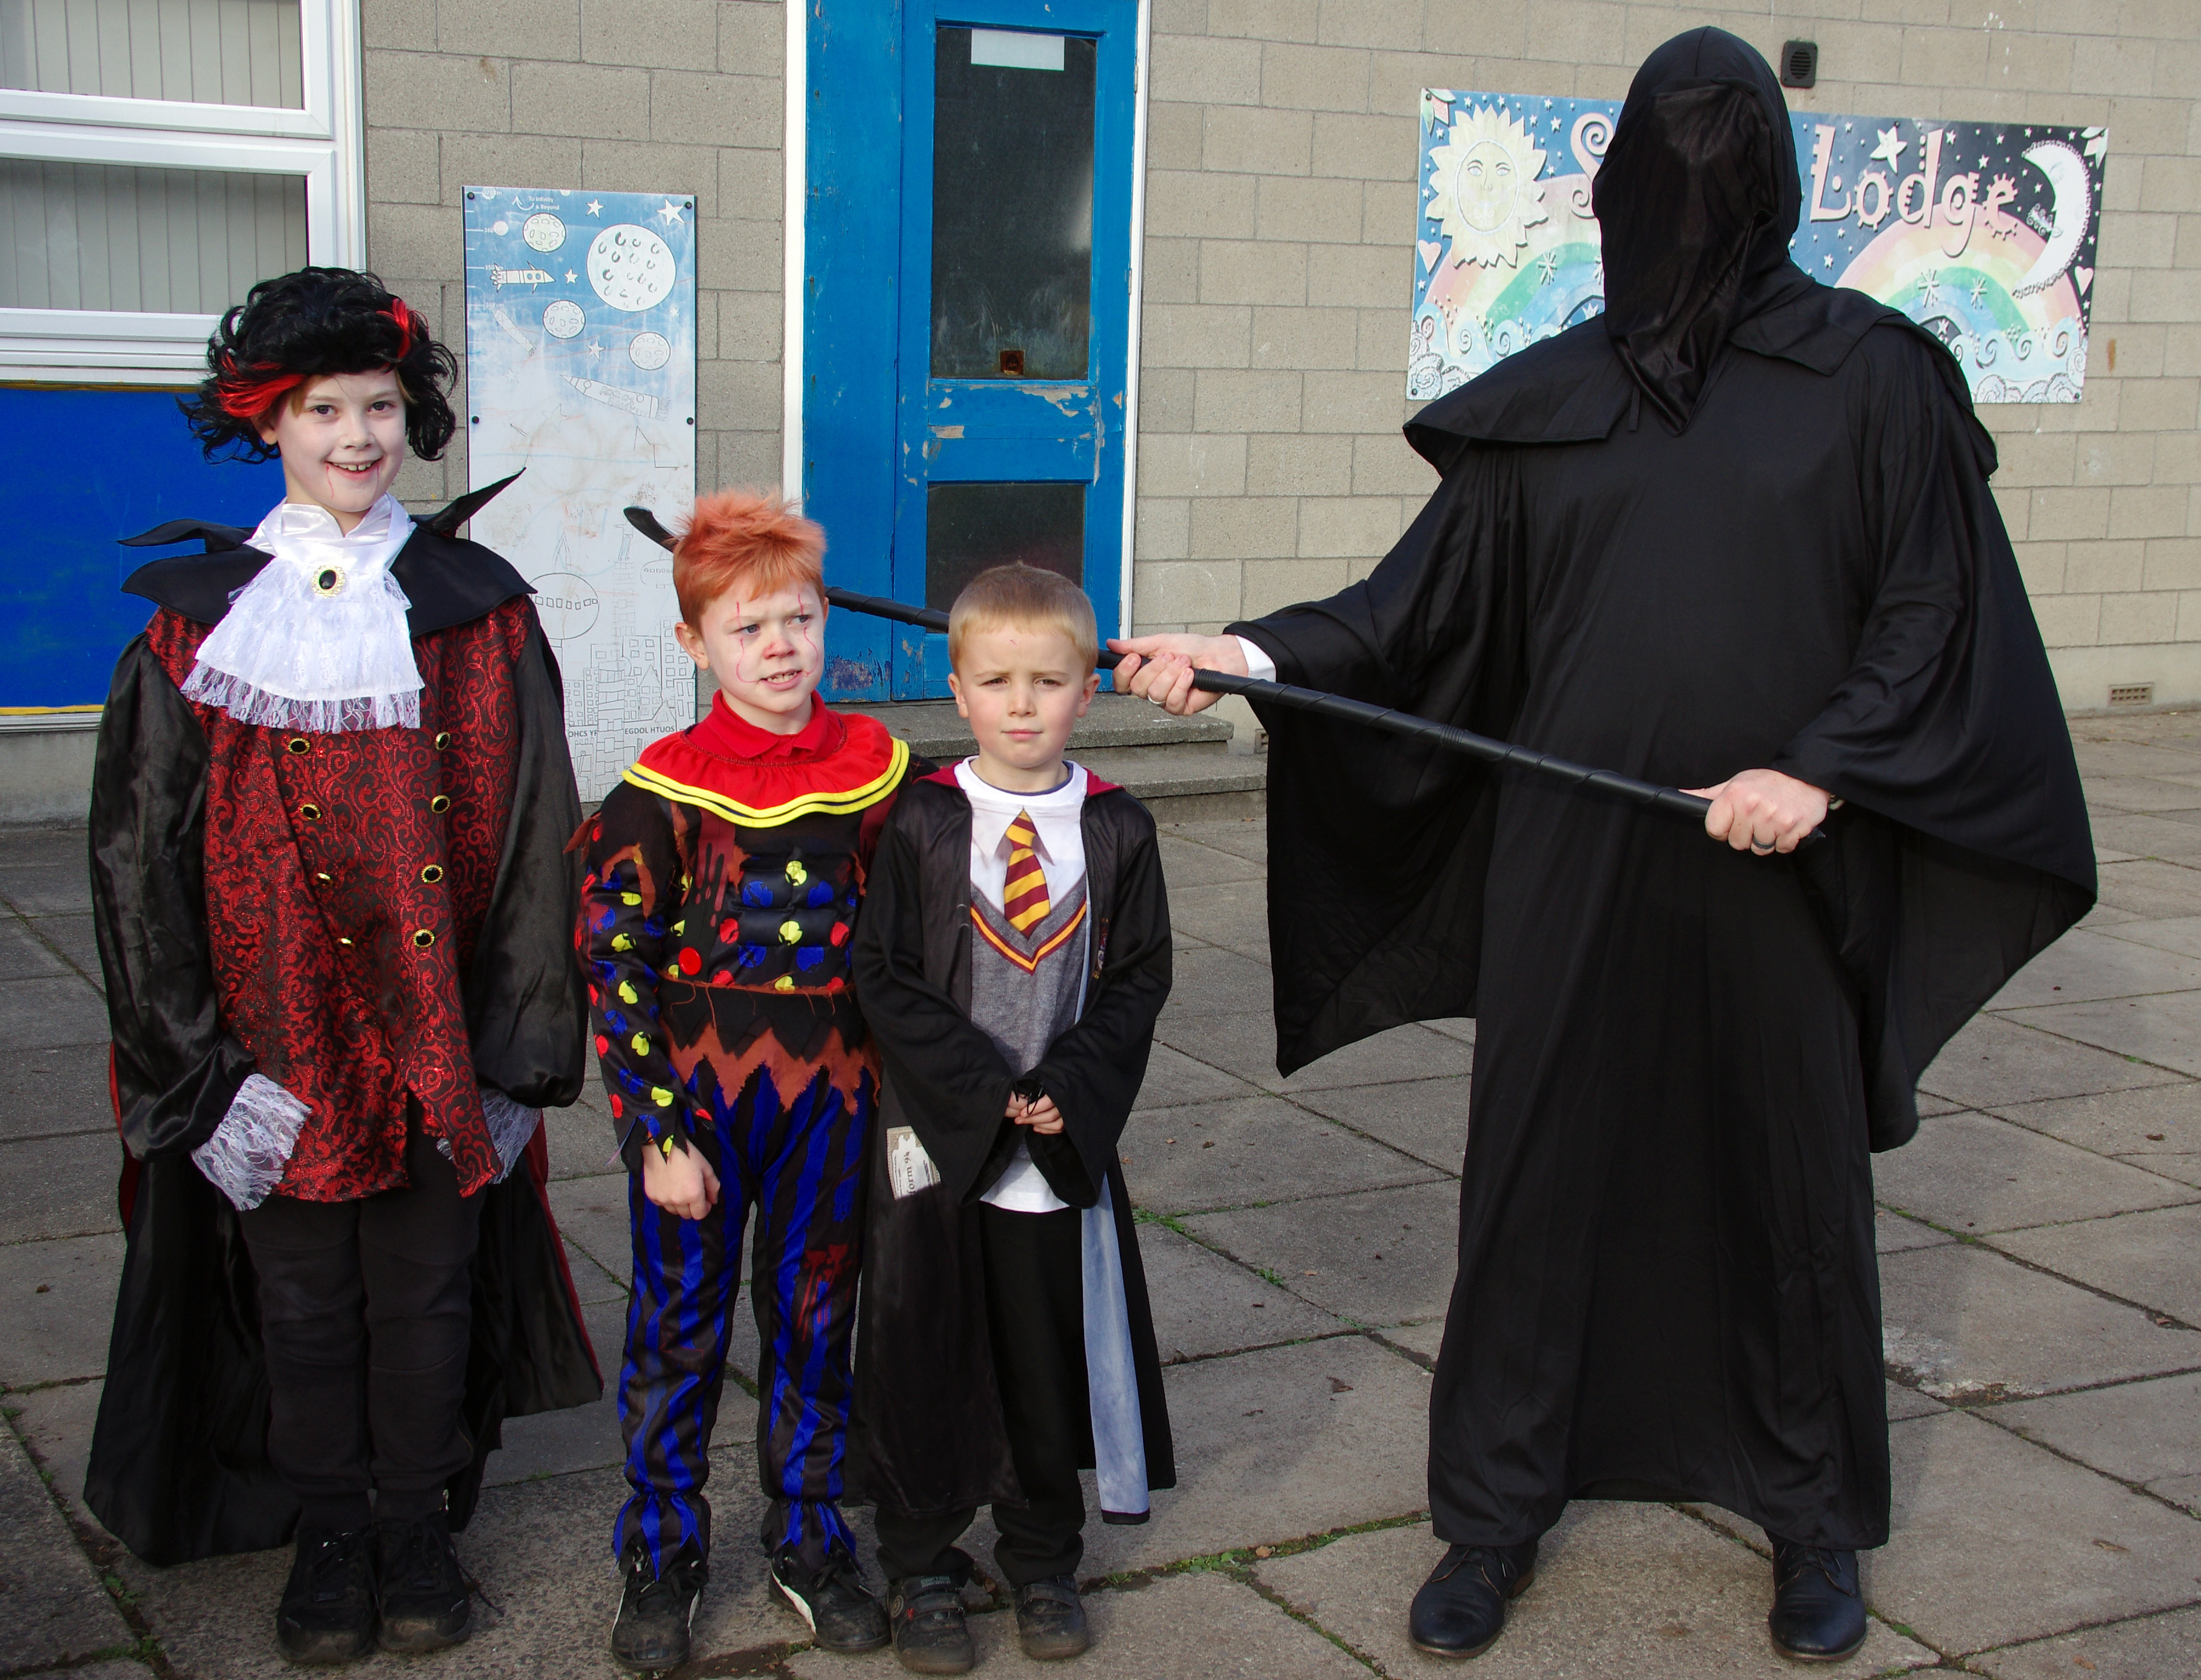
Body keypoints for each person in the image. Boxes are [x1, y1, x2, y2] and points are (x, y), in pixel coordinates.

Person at [1113, 28, 2093, 1668]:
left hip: (1772, 863)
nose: (1692, 197)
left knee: (1785, 1181)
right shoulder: (1558, 394)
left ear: (1769, 186)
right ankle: (1494, 1513)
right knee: (1537, 1176)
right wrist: (1244, 650)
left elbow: (1930, 606)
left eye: (1722, 165)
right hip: (1569, 858)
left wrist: (1823, 769)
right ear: (1623, 186)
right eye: (1670, 164)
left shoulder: (1872, 376)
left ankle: (1808, 1520)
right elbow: (1412, 610)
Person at [87, 266, 598, 1663]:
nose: (357, 436)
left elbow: (535, 831)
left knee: (428, 1287)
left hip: (438, 1031)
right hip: (272, 1041)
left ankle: (418, 1526)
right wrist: (195, 1071)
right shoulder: (193, 626)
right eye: (323, 410)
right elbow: (137, 862)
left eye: (378, 406)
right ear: (269, 422)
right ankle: (329, 1532)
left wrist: (519, 1046)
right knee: (303, 1299)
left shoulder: (480, 612)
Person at [582, 491, 920, 1671]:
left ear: (826, 620)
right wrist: (655, 1136)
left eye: (799, 619)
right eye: (747, 628)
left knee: (817, 1320)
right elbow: (614, 966)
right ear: (695, 643)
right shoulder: (662, 788)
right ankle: (661, 1545)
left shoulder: (881, 771)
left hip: (837, 1103)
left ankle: (812, 1536)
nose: (779, 647)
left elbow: (930, 922)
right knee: (677, 1325)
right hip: (701, 1111)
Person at [850, 563, 1176, 1676]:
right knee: (924, 1346)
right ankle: (921, 1564)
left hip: (1049, 1143)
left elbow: (1138, 977)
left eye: (1047, 681)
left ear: (1090, 688)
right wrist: (979, 1082)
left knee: (1042, 1354)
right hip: (936, 1140)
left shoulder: (1117, 829)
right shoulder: (923, 821)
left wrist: (1070, 1083)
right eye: (996, 682)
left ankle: (1042, 1557)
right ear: (957, 690)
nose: (1022, 705)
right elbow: (884, 972)